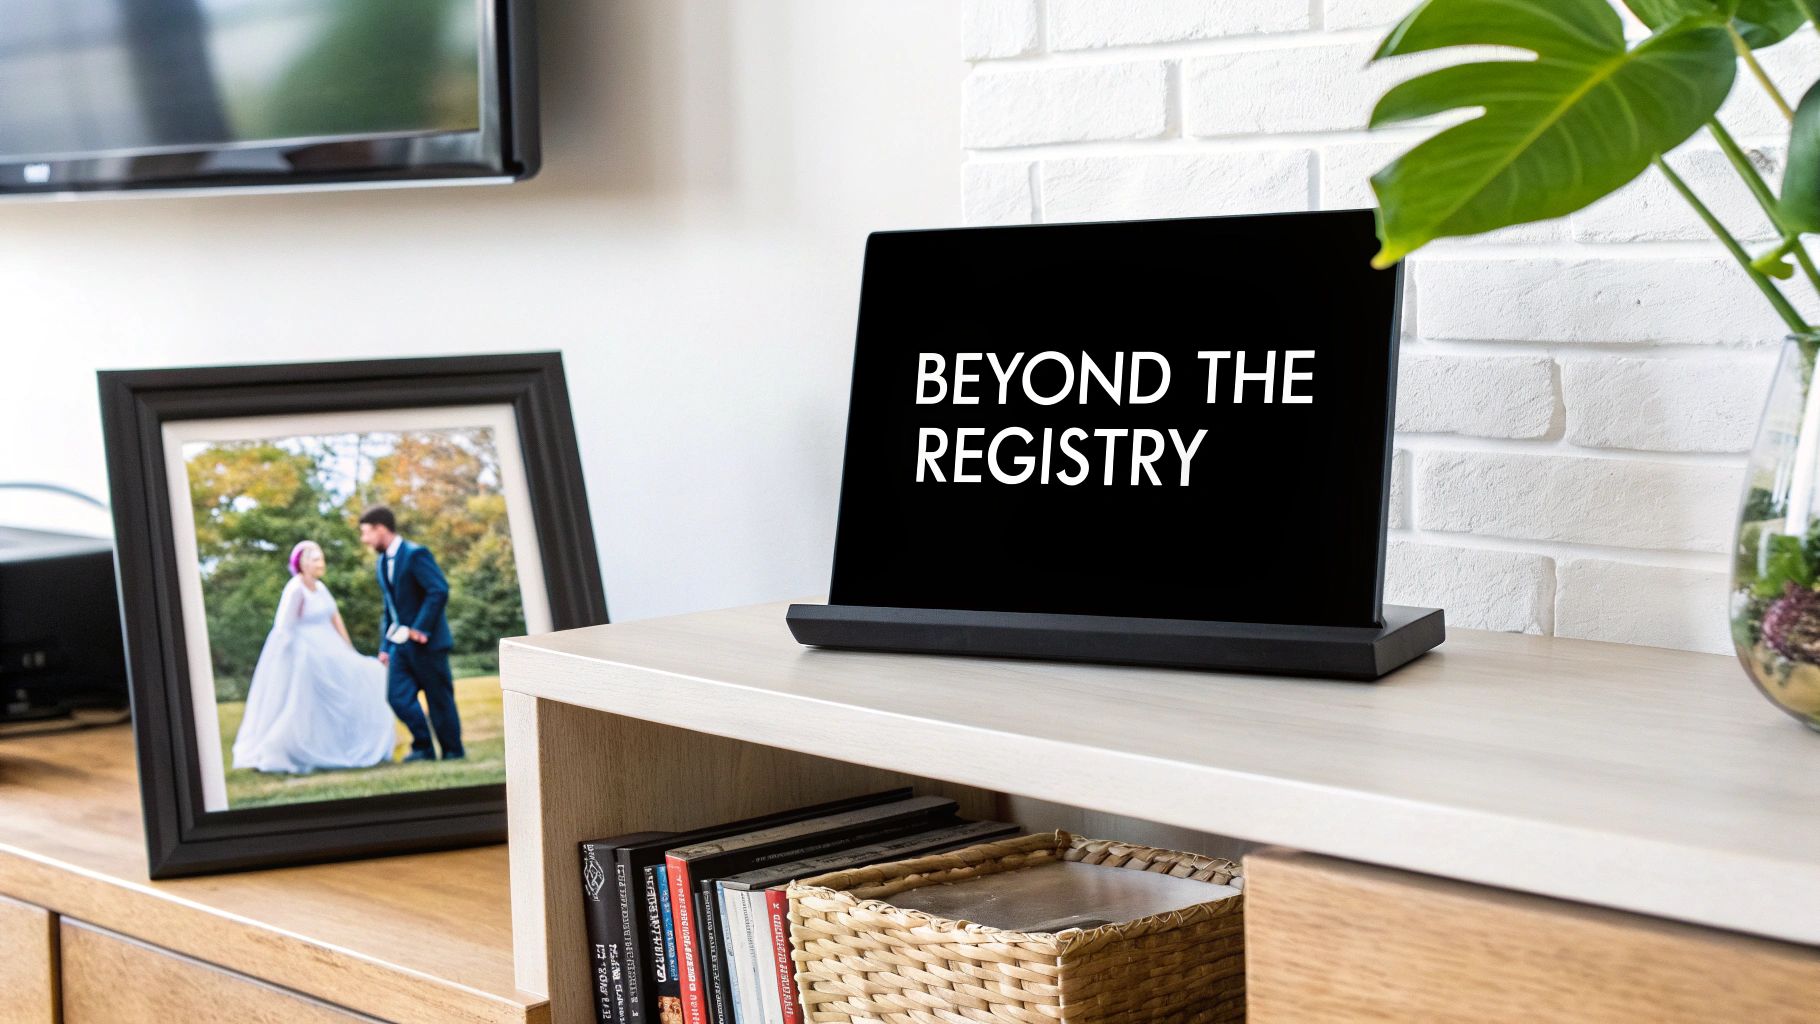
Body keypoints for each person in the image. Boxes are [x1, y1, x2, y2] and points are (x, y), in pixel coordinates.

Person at [231, 540, 397, 774]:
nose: (321, 563)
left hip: (331, 650)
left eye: (322, 558)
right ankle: (289, 749)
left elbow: (336, 620)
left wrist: (350, 651)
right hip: (305, 655)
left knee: (367, 674)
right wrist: (283, 661)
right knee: (302, 704)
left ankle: (346, 743)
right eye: (315, 559)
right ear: (302, 563)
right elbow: (284, 628)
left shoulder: (321, 588)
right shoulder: (295, 588)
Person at [358, 505, 464, 762]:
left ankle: (452, 751)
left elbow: (438, 590)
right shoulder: (382, 562)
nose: (364, 540)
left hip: (427, 642)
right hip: (399, 645)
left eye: (366, 533)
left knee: (439, 699)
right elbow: (389, 607)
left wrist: (420, 628)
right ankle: (423, 747)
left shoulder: (416, 554)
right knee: (397, 697)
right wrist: (384, 646)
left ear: (381, 529)